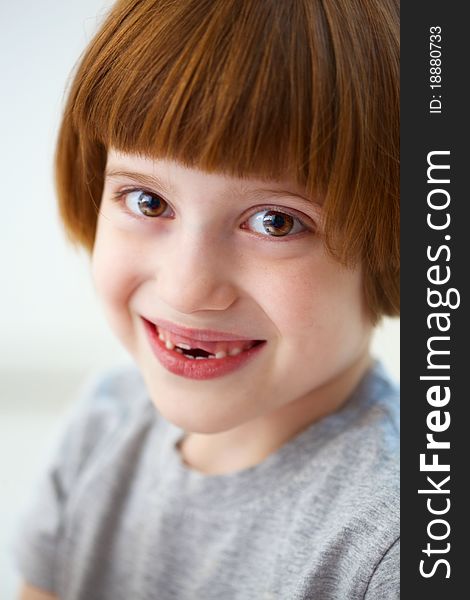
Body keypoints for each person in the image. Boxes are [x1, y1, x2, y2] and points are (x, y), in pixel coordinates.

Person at [14, 0, 400, 598]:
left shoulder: (395, 544)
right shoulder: (102, 425)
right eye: (148, 202)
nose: (185, 287)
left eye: (276, 222)